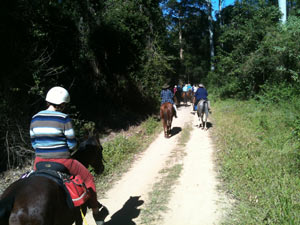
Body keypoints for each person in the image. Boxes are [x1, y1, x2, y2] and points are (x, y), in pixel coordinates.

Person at [30, 86, 109, 225]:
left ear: (48, 101)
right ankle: (97, 214)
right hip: (62, 161)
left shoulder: (35, 118)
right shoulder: (63, 118)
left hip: (39, 162)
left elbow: (34, 144)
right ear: (62, 104)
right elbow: (72, 145)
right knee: (88, 178)